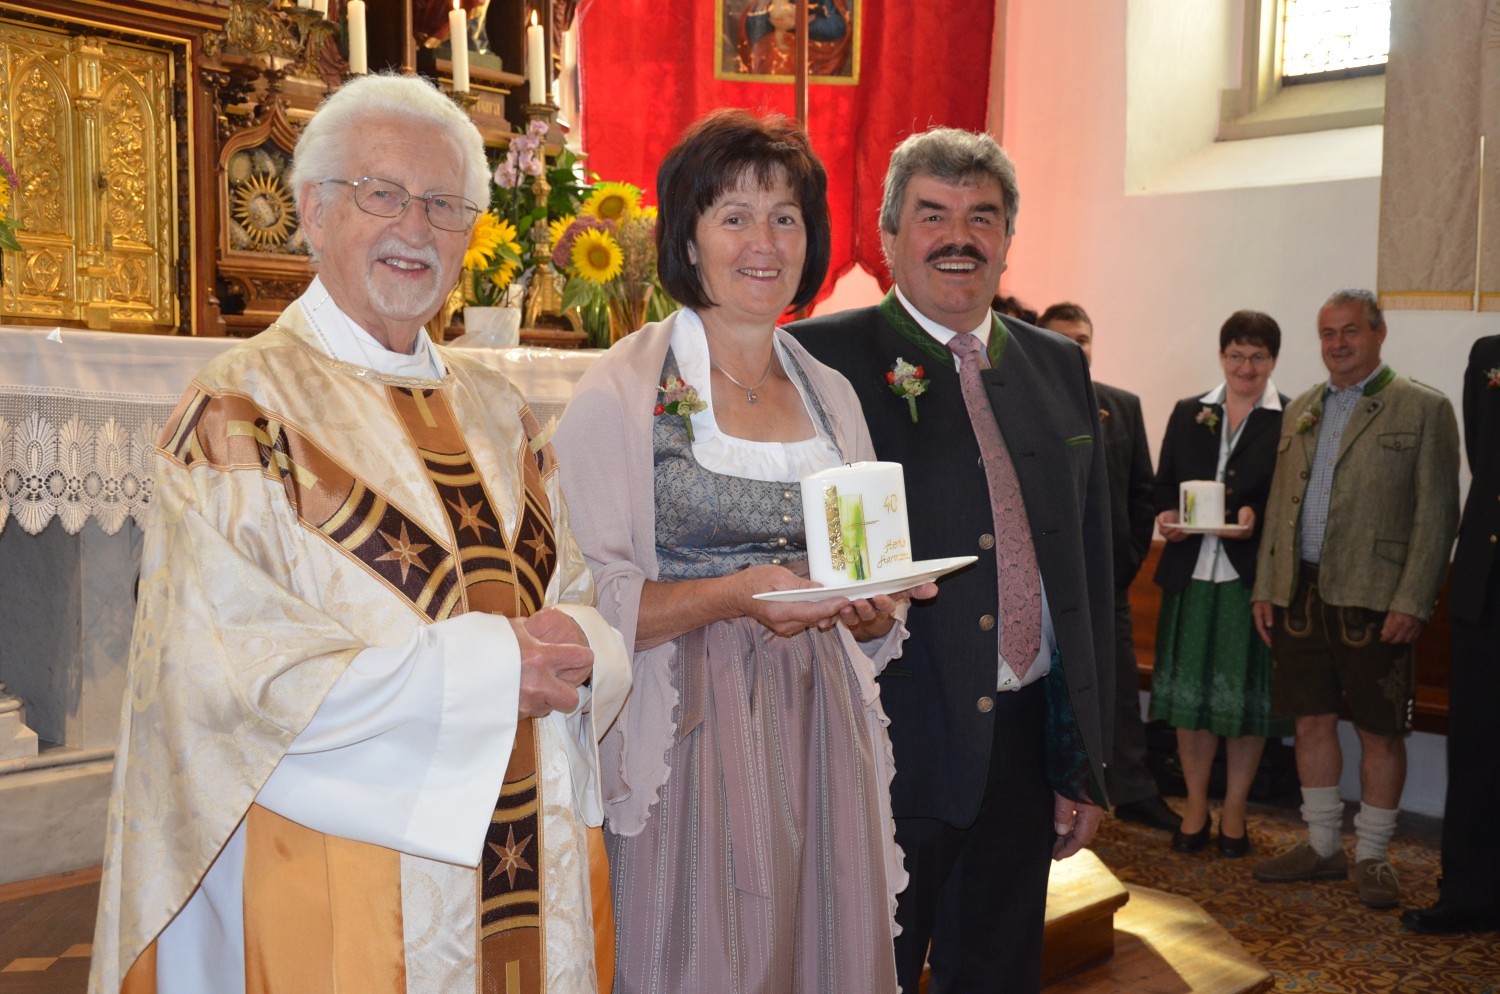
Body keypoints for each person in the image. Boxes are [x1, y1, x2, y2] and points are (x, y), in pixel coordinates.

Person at [88, 73, 631, 994]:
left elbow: (568, 589)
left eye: (445, 205)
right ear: (311, 210)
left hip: (528, 848)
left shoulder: (499, 408)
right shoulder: (239, 407)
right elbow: (228, 669)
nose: (415, 227)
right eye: (382, 194)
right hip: (342, 872)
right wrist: (492, 671)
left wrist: (587, 643)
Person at [553, 109, 925, 994]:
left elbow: (867, 576)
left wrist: (875, 609)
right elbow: (587, 599)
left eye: (785, 216)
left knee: (821, 951)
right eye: (735, 217)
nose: (765, 242)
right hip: (690, 731)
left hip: (821, 722)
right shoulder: (620, 391)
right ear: (688, 239)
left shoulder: (830, 393)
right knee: (706, 960)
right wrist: (733, 595)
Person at [791, 128, 1114, 994]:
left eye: (983, 216)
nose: (959, 237)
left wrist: (1082, 759)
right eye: (932, 215)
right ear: (888, 234)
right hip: (892, 736)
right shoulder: (821, 357)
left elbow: (1088, 577)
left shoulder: (1058, 364)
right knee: (872, 975)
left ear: (1008, 237)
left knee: (999, 975)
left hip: (1024, 739)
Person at [1251, 288, 1459, 909]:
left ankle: (1372, 854)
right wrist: (1267, 585)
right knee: (1310, 721)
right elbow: (1279, 505)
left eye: (1349, 331)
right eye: (1327, 333)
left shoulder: (1424, 407)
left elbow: (1438, 515)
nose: (1337, 344)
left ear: (1378, 332)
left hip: (1377, 598)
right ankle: (1321, 846)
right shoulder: (1303, 407)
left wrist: (1414, 600)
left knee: (1379, 731)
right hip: (1299, 593)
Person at [1149, 310, 1292, 856]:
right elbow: (1164, 486)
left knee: (1244, 703)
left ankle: (1234, 810)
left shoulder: (1289, 418)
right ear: (1221, 356)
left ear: (1273, 360)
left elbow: (1292, 501)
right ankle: (1194, 806)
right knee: (1191, 702)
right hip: (1191, 576)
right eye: (1236, 355)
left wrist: (1260, 517)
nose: (1245, 367)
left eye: (1257, 357)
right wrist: (1168, 517)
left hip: (1247, 580)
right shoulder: (1191, 412)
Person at [1039, 301, 1179, 835]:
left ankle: (1133, 789)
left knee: (1117, 690)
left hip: (1106, 583)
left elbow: (1143, 492)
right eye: (1062, 338)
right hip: (1043, 586)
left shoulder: (1122, 407)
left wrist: (1125, 563)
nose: (1074, 348)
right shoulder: (1021, 400)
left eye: (1082, 339)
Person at [1401, 334, 1500, 934]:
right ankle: (1469, 891)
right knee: (1475, 748)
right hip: (1485, 585)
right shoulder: (1489, 356)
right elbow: (1484, 455)